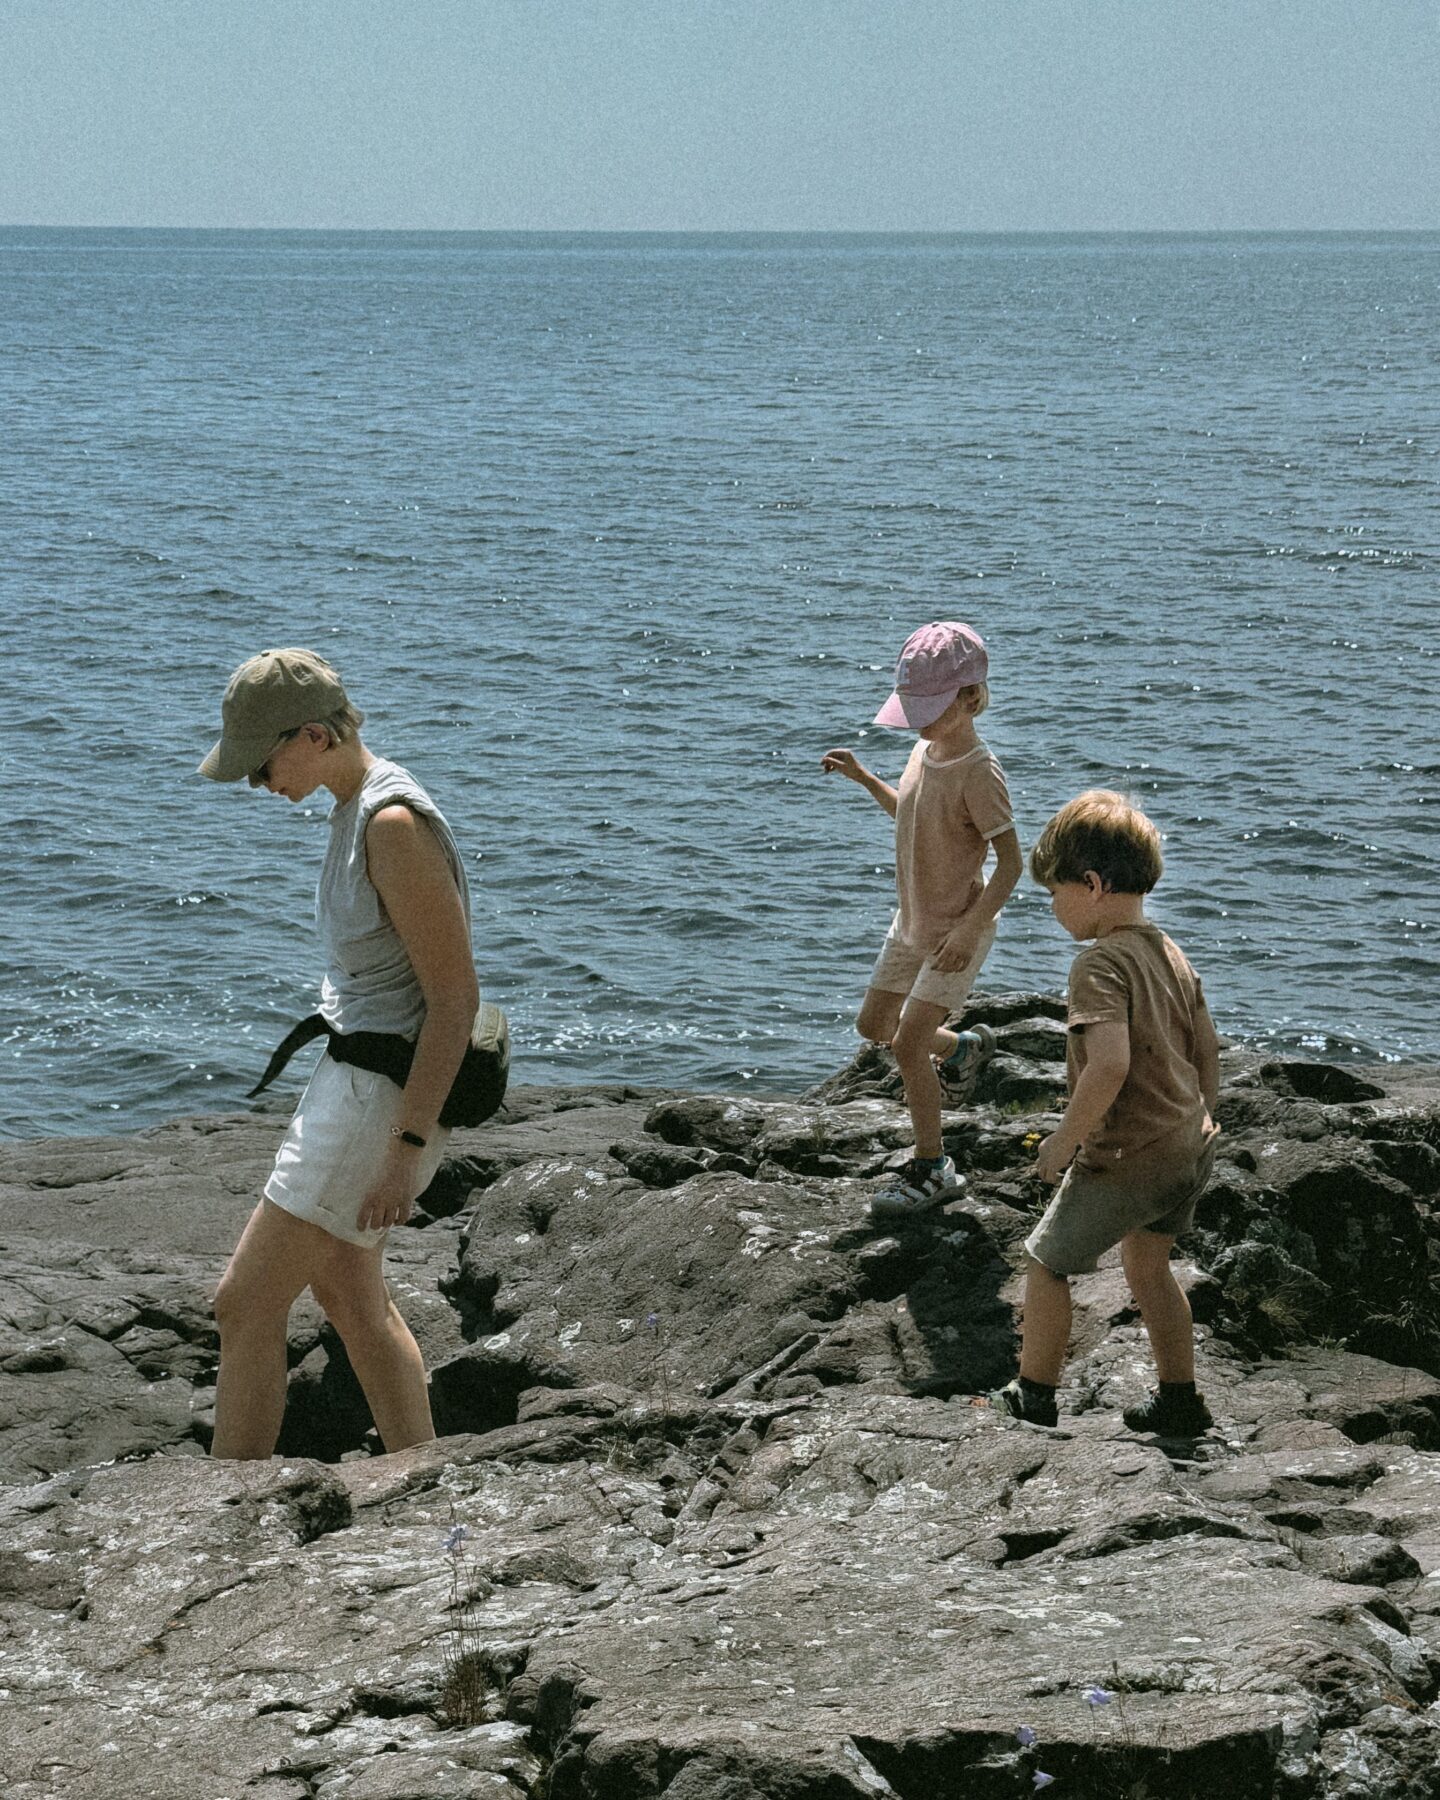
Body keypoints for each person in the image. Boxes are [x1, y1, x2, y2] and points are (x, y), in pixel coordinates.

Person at [198, 648, 479, 1460]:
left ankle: (224, 1512)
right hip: (357, 1081)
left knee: (243, 1307)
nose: (256, 782)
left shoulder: (392, 826)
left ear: (314, 734)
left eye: (261, 762)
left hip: (378, 1101)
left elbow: (454, 1003)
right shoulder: (355, 806)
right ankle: (419, 1477)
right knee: (353, 1295)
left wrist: (408, 1148)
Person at [992, 790, 1220, 1437]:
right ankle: (1181, 1400)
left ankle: (1033, 1393)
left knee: (1047, 1262)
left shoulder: (1097, 963)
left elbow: (1110, 1066)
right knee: (1149, 1265)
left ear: (1091, 885)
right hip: (1189, 1144)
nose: (1054, 907)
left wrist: (1063, 1142)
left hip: (1129, 1152)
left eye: (1054, 892)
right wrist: (1204, 1118)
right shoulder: (1171, 954)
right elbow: (1207, 1050)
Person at [823, 621, 1023, 1220]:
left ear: (970, 697)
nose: (917, 721)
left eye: (929, 708)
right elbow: (912, 816)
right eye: (912, 708)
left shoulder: (979, 772)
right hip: (911, 920)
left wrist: (967, 930)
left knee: (907, 1044)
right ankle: (963, 1052)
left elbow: (1013, 863)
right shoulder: (923, 752)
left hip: (956, 930)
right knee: (874, 1024)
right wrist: (865, 780)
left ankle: (933, 1165)